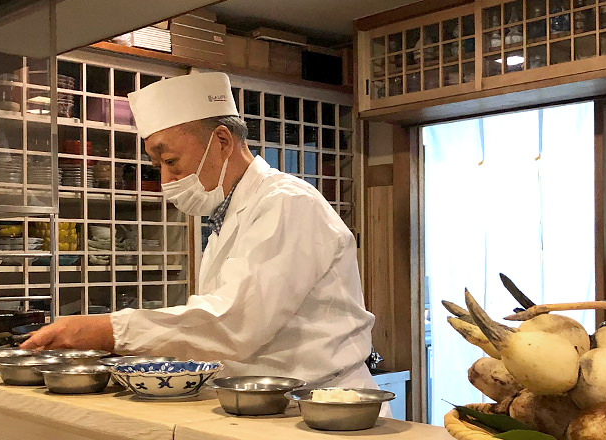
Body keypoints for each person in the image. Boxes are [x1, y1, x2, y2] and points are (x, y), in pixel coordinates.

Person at [22, 72, 380, 395]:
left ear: (222, 140)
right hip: (266, 402)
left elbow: (235, 324)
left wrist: (107, 330)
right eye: (157, 165)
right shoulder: (228, 216)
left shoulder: (286, 203)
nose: (165, 180)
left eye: (171, 161)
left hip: (327, 406)